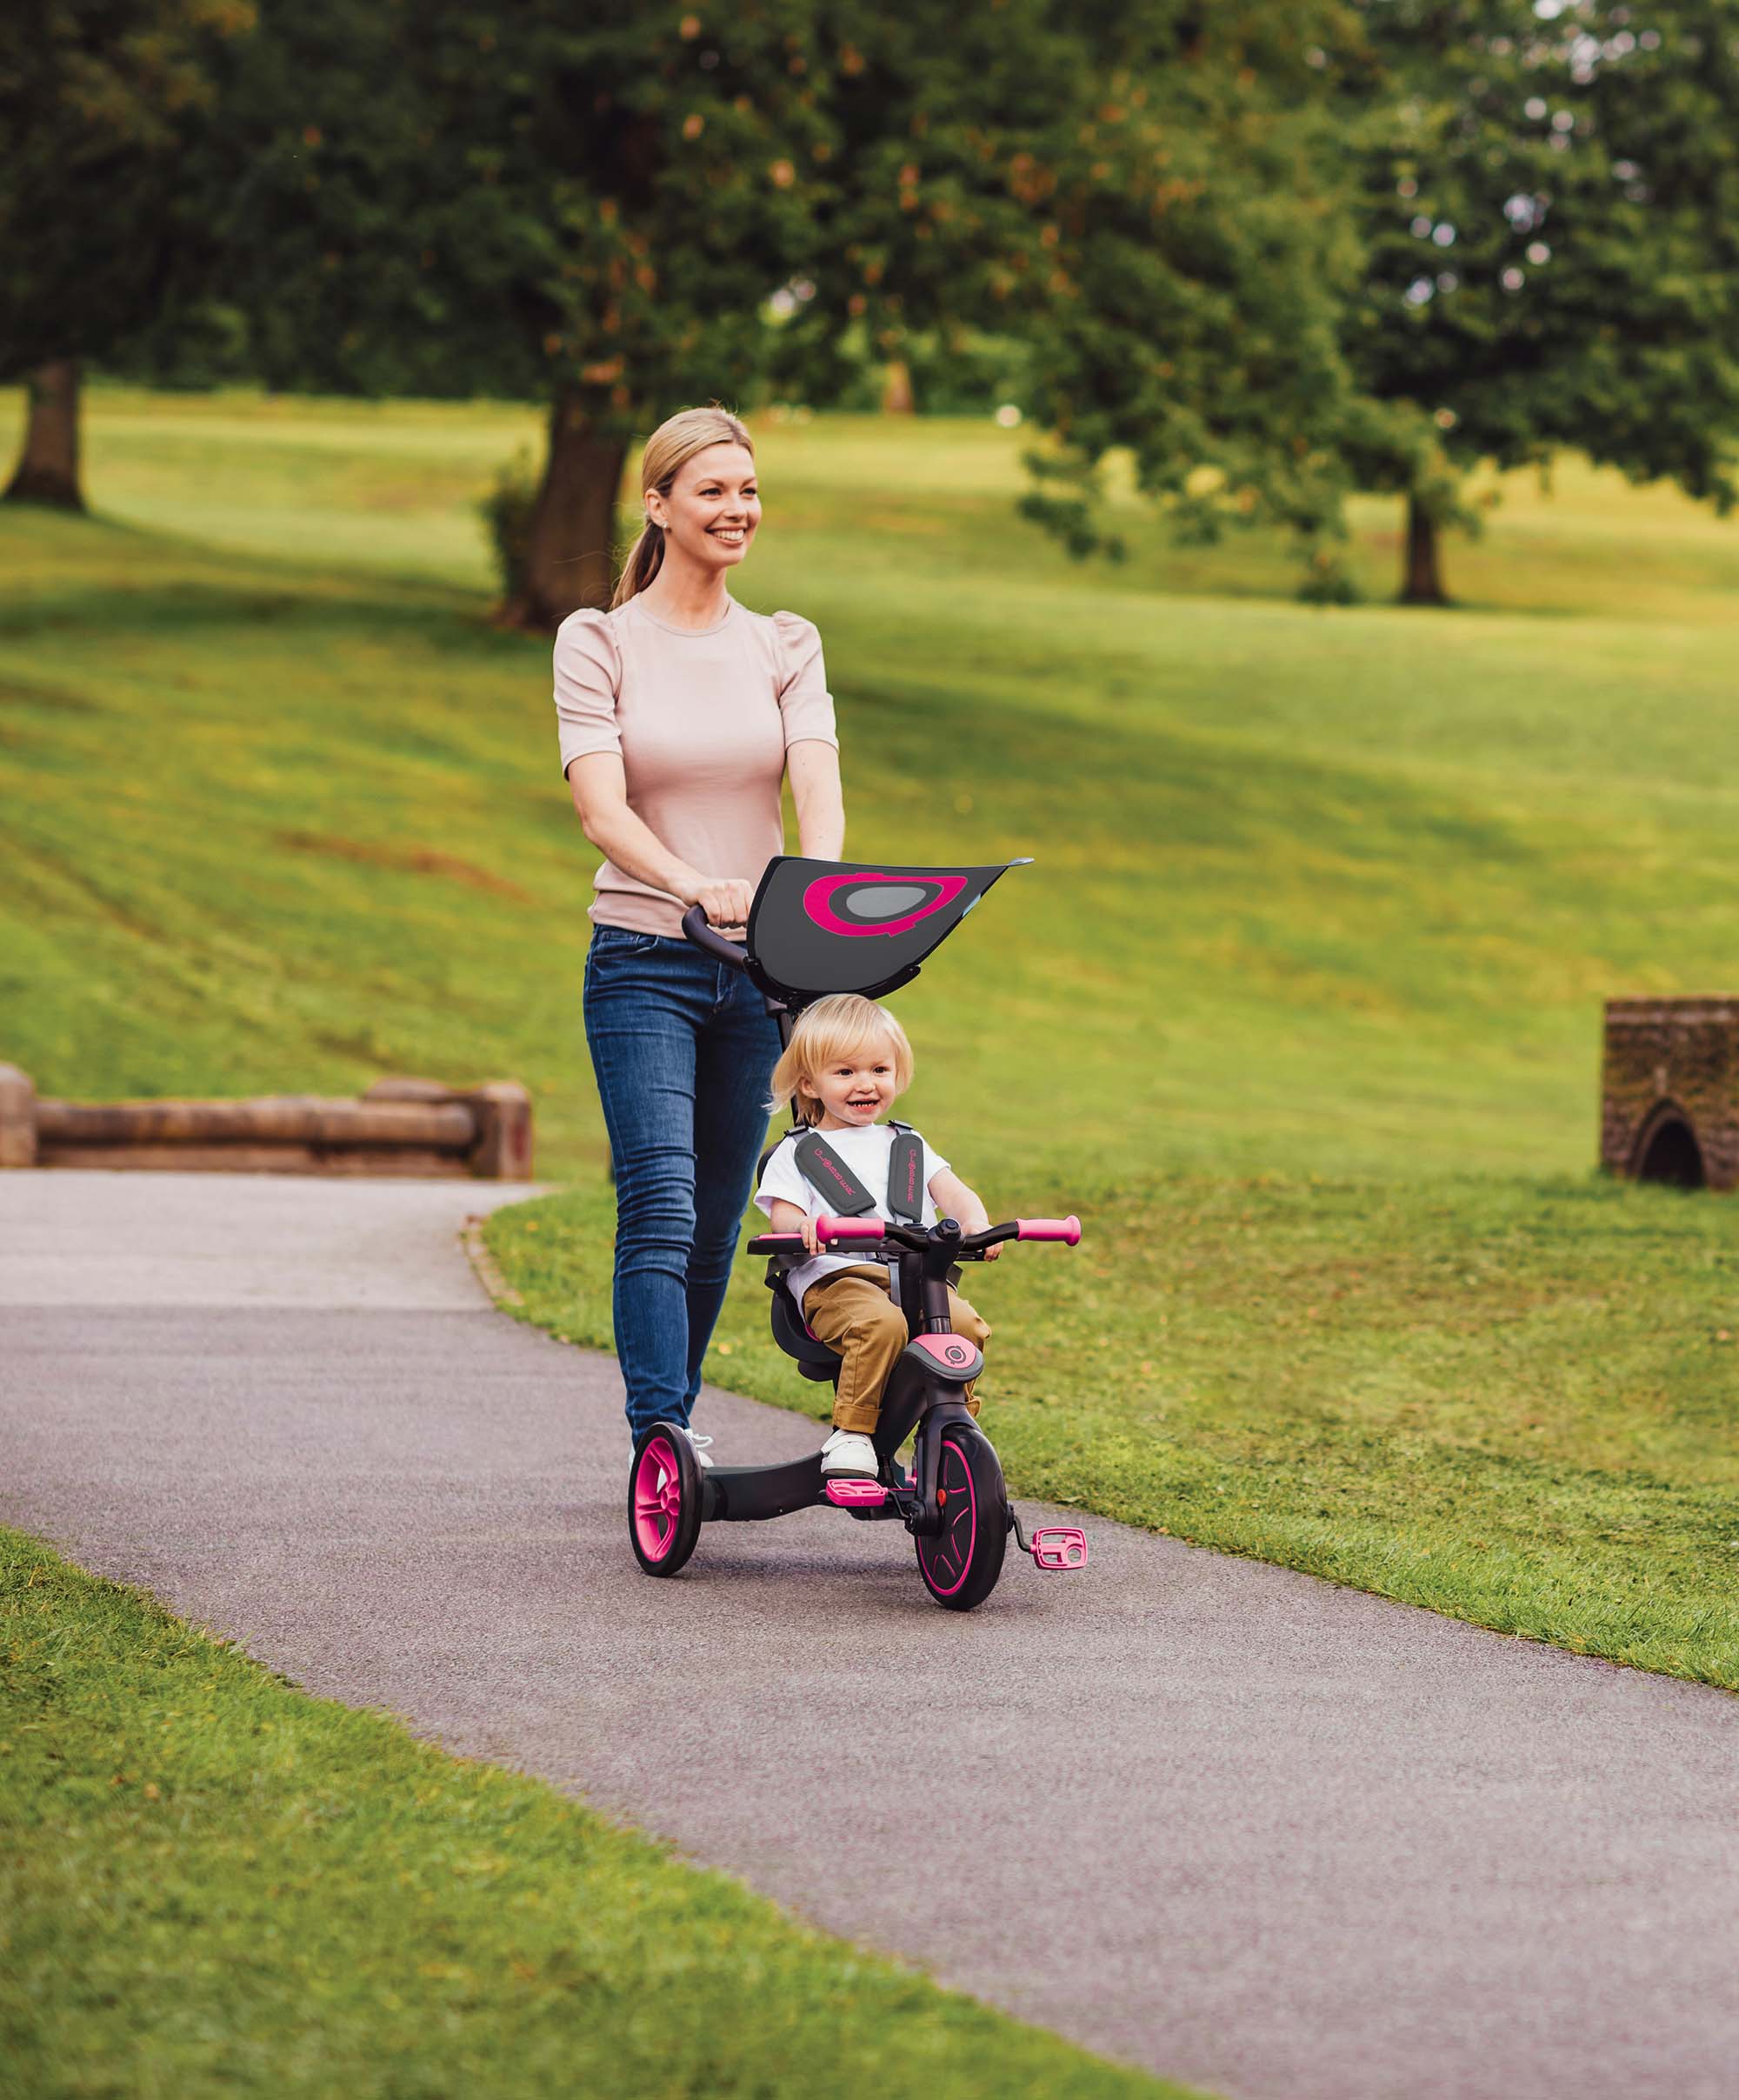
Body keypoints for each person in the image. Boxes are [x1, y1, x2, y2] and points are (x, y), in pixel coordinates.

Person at [556, 405, 845, 1463]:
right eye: (713, 491)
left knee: (722, 1213)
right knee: (662, 1198)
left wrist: (810, 892)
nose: (737, 510)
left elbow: (814, 774)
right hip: (644, 960)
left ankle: (671, 1423)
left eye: (749, 491)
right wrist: (694, 885)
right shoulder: (598, 641)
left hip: (758, 969)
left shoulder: (782, 641)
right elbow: (601, 809)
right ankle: (658, 1437)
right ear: (658, 503)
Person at [754, 994, 996, 1479]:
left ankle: (954, 1425)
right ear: (810, 1083)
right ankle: (853, 1433)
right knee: (879, 1326)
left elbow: (958, 1195)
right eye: (845, 1073)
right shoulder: (798, 1153)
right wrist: (804, 1228)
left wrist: (977, 1222)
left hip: (915, 1278)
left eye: (879, 1070)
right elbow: (782, 1218)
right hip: (837, 1281)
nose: (866, 1084)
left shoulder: (906, 1143)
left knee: (966, 1327)